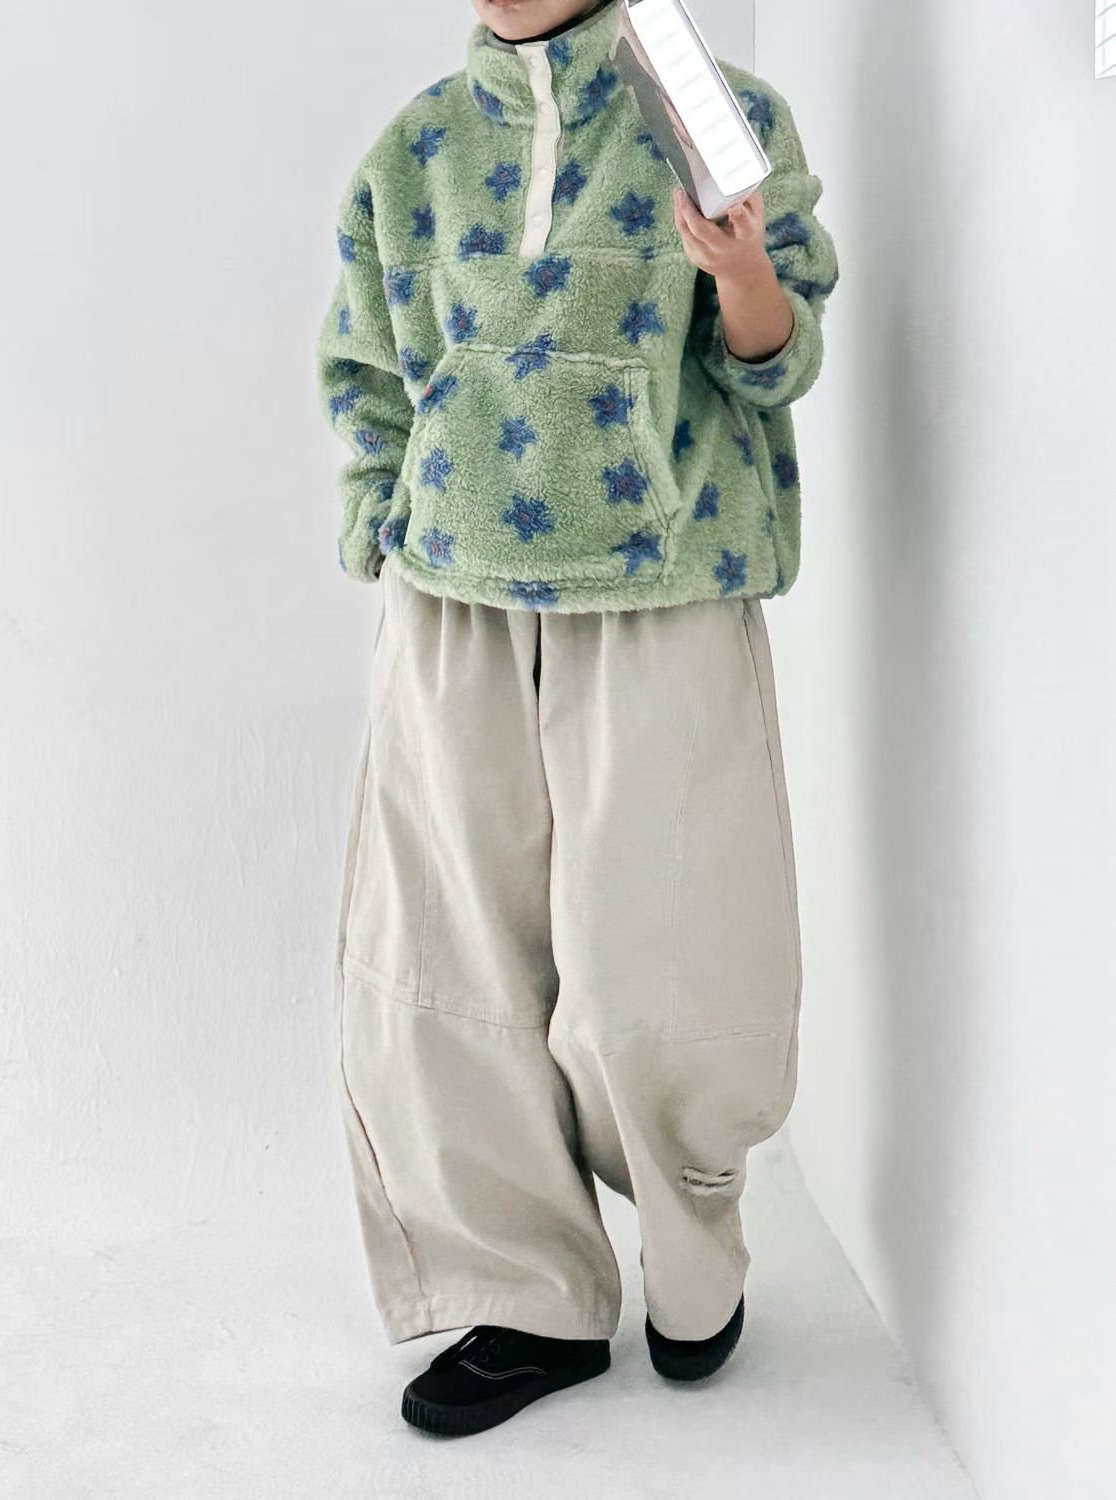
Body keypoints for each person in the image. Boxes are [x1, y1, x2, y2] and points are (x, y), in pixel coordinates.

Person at [316, 0, 837, 1438]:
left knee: (666, 951)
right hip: (452, 610)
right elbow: (366, 372)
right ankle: (523, 1297)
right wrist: (384, 526)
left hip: (663, 591)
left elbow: (778, 360)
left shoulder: (718, 111)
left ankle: (692, 1261)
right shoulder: (415, 150)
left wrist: (739, 269)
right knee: (447, 960)